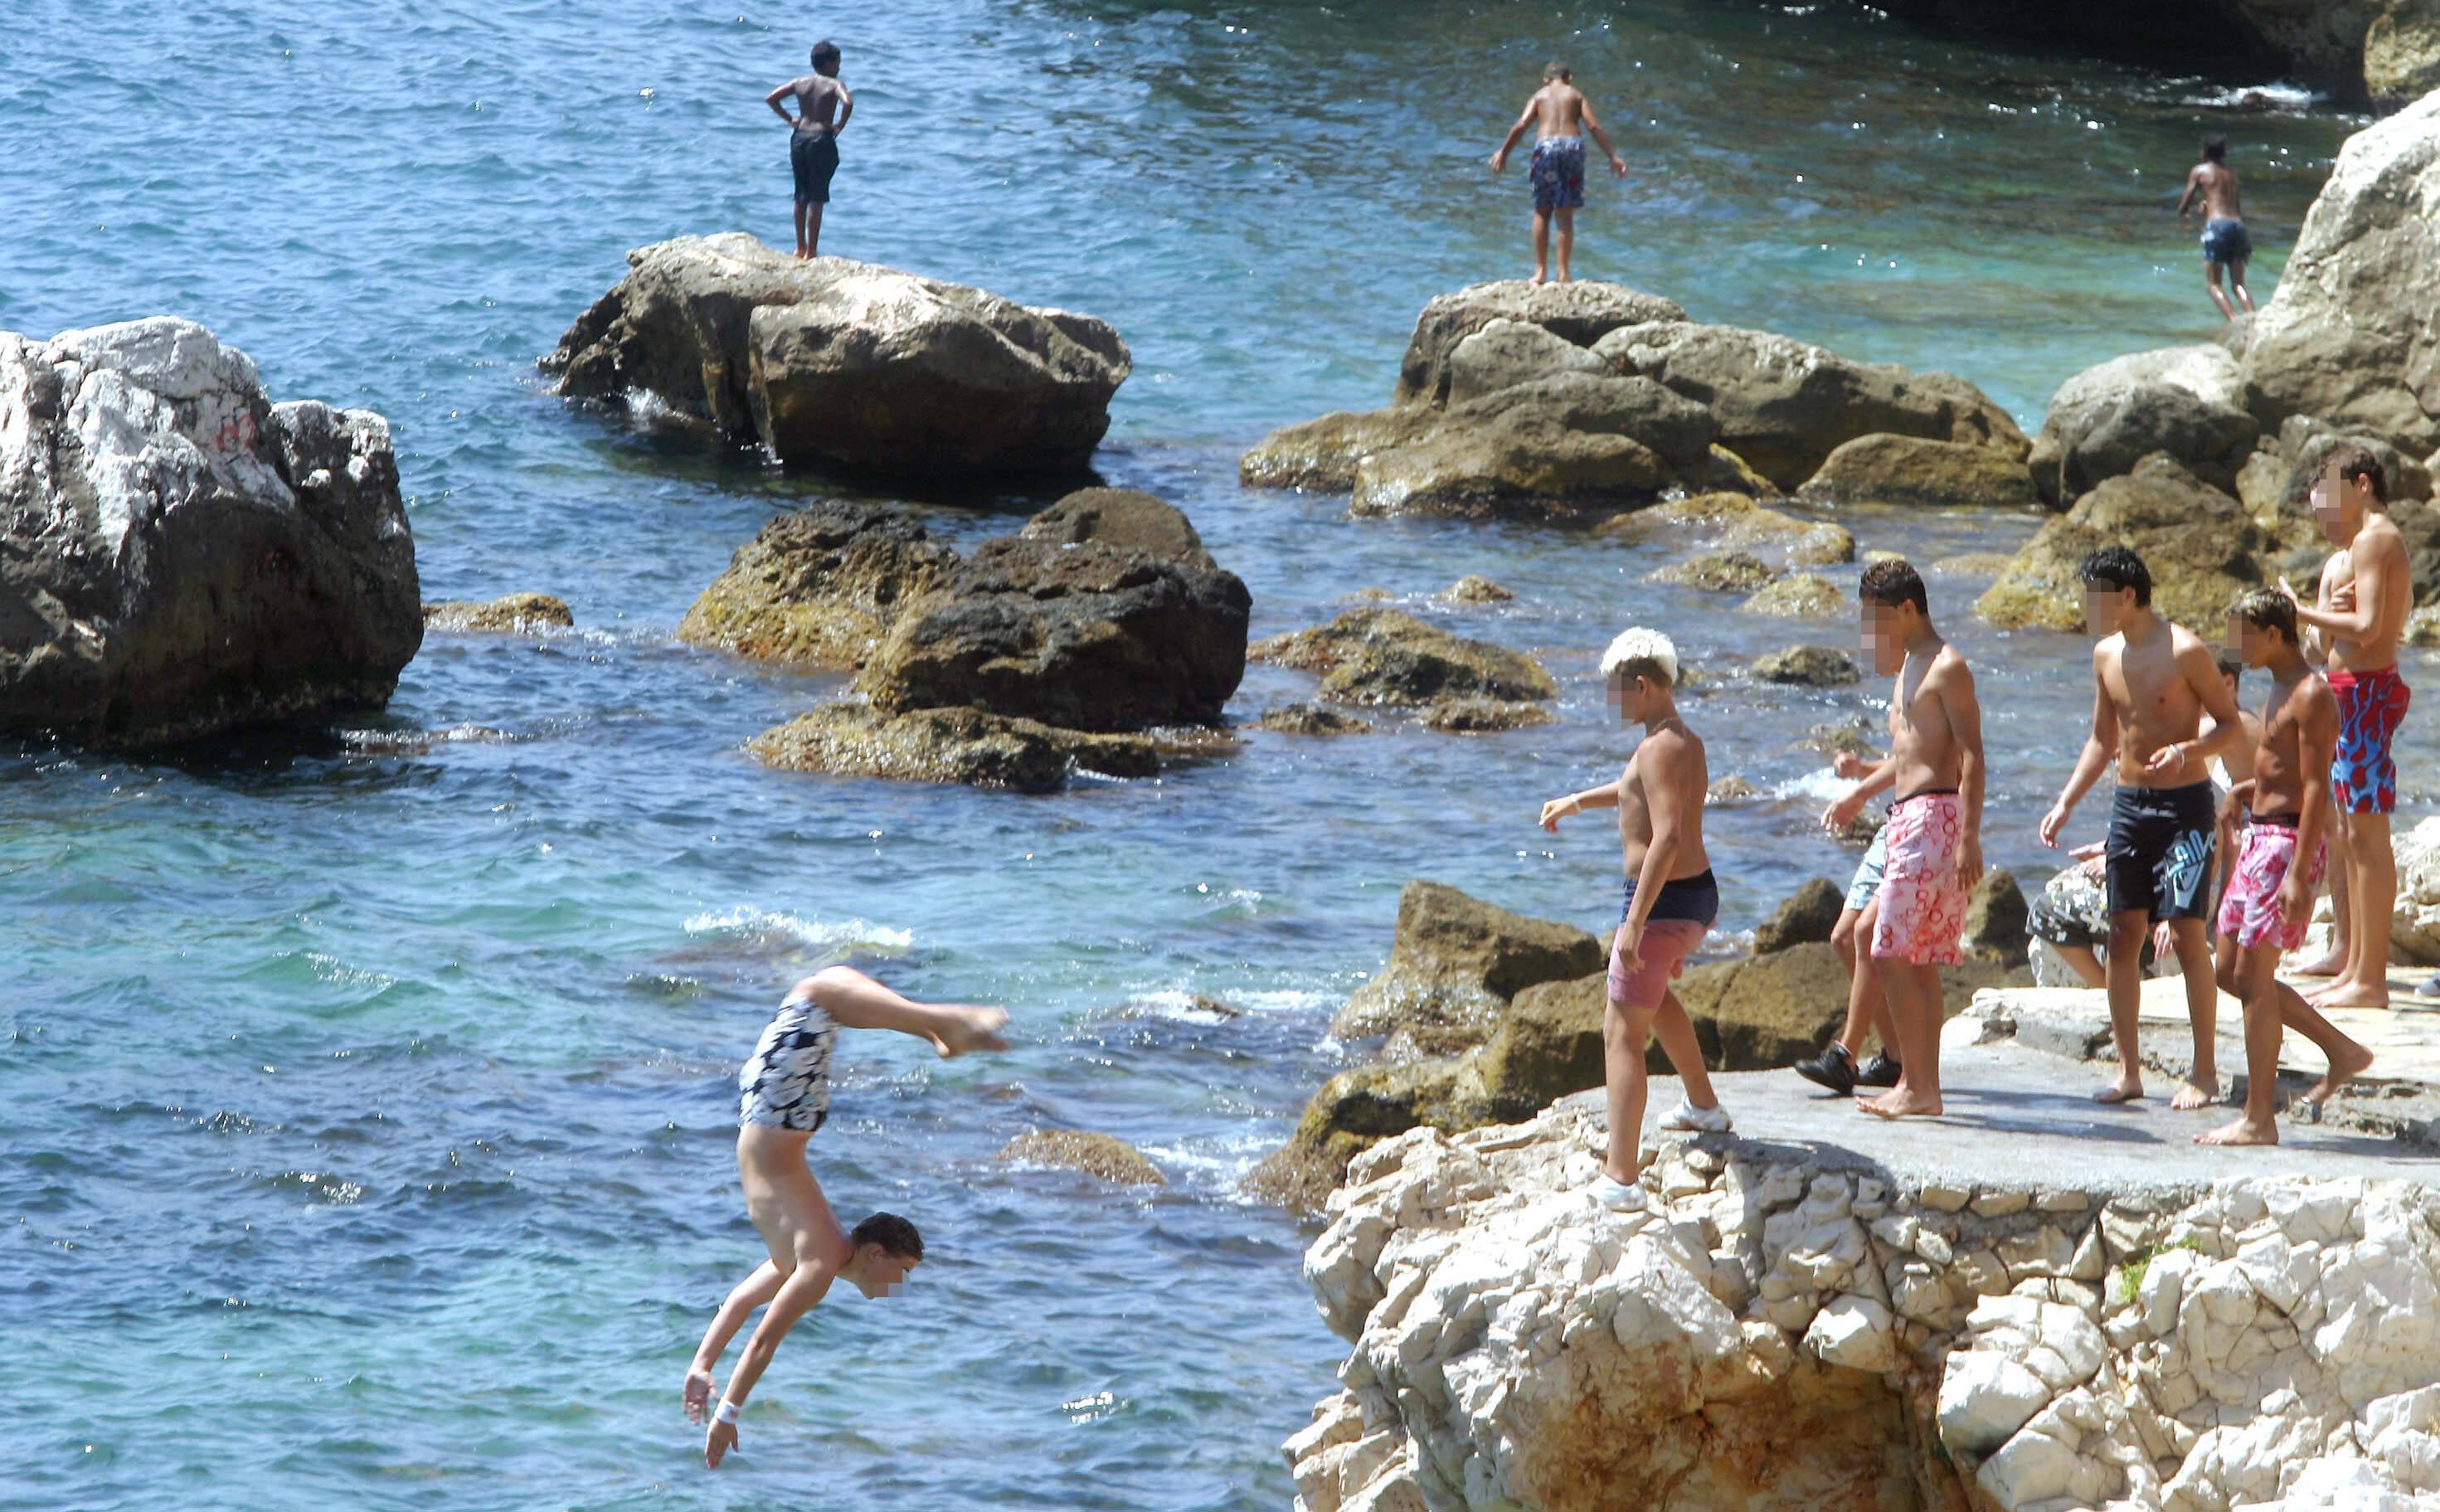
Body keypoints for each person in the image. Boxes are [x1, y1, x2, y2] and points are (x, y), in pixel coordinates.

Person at [688, 966, 1009, 1467]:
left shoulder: (801, 1259)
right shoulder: (818, 1263)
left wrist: (702, 1365)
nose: (897, 1288)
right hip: (778, 1114)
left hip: (779, 1116)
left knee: (825, 993)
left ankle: (939, 1030)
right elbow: (763, 1344)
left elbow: (740, 1304)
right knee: (822, 992)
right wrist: (726, 1414)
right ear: (875, 1252)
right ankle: (942, 1024)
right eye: (901, 1273)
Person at [2039, 547, 2248, 1108]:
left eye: (2095, 597)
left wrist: (2187, 750)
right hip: (2129, 808)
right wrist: (2065, 802)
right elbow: (2103, 740)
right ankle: (2128, 1072)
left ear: (2126, 595)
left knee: (2185, 931)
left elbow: (2230, 726)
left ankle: (2204, 1072)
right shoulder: (2105, 654)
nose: (2088, 607)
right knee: (2124, 935)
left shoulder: (2186, 650)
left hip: (2185, 809)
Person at [1538, 628, 1730, 1206]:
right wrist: (1576, 799)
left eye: (1616, 691)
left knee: (1620, 1027)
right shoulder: (1679, 740)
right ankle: (1703, 1105)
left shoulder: (1656, 746)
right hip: (1695, 896)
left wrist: (1634, 922)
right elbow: (1634, 793)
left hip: (1664, 900)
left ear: (1642, 685)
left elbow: (1667, 836)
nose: (1611, 701)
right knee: (1655, 999)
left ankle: (1621, 1179)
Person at [2199, 590, 2374, 1145]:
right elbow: (2285, 770)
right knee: (2229, 971)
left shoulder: (2311, 693)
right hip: (2260, 837)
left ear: (2274, 635)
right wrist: (2247, 790)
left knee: (2253, 980)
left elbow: (2319, 785)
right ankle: (2342, 1049)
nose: (2235, 647)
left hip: (2287, 845)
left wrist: (2301, 872)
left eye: (2243, 636)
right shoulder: (2275, 687)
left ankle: (2259, 1118)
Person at [1846, 560, 1985, 1120]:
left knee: (1889, 950)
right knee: (1918, 955)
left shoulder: (1948, 666)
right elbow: (1909, 753)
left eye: (1878, 616)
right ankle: (1924, 1086)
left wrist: (1969, 837)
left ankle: (1916, 1084)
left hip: (1934, 818)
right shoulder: (1909, 664)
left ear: (1907, 609)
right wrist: (1862, 778)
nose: (1872, 627)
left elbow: (1972, 754)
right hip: (1908, 816)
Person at [2281, 446, 2413, 1010]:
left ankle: (2371, 980)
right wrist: (2317, 617)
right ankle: (2357, 966)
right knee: (2353, 836)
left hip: (2366, 692)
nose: (2323, 517)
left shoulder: (2376, 538)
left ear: (2361, 485)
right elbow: (2344, 633)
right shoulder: (2360, 546)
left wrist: (2302, 613)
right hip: (2349, 694)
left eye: (2330, 500)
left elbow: (2367, 627)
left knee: (2368, 838)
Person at [1791, 748, 1906, 1095]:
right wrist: (1864, 769)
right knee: (1843, 938)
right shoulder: (1907, 692)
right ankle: (1895, 1058)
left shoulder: (1942, 694)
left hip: (1920, 826)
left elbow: (1948, 761)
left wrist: (1859, 793)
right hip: (1894, 824)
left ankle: (1845, 1056)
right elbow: (1908, 755)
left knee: (1868, 933)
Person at [1489, 61, 1626, 286]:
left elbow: (1521, 125)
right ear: (1569, 77)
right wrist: (1613, 156)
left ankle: (1540, 272)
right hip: (1573, 147)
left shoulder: (1540, 96)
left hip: (1546, 148)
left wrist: (1504, 152)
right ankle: (1563, 274)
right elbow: (1594, 127)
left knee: (1542, 210)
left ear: (1545, 79)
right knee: (1565, 212)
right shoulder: (1576, 95)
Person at [766, 41, 853, 260]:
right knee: (817, 197)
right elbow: (848, 102)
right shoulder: (834, 84)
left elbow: (772, 98)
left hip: (799, 138)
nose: (840, 68)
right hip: (821, 139)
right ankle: (812, 252)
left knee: (800, 195)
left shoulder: (800, 82)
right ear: (828, 64)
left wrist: (791, 119)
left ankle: (799, 248)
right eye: (837, 63)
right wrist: (840, 126)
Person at [2177, 133, 2253, 321]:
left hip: (2218, 226)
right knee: (2238, 283)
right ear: (2224, 152)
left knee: (2214, 284)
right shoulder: (2231, 174)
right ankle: (2253, 318)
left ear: (2204, 152)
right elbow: (2230, 203)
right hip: (2238, 226)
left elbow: (2185, 204)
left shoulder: (2200, 171)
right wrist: (2209, 205)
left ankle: (2234, 320)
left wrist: (2185, 214)